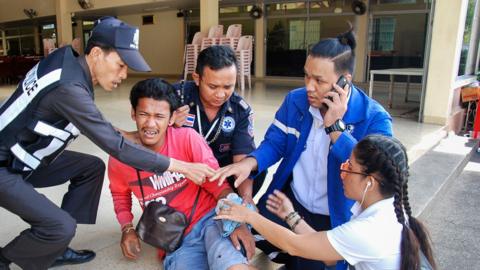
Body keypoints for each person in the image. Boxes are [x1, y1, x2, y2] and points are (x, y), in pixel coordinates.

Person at [0, 17, 213, 270]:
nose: (124, 74)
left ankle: (54, 246)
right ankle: (8, 257)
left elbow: (98, 125)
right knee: (60, 227)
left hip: (25, 153)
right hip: (6, 165)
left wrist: (148, 129)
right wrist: (183, 167)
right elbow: (116, 146)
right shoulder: (69, 88)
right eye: (121, 65)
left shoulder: (68, 63)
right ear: (97, 53)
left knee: (90, 168)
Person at [212, 27, 393, 270]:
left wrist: (336, 130)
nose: (309, 86)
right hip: (288, 204)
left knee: (311, 260)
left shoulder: (374, 118)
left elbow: (372, 171)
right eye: (306, 76)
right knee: (236, 239)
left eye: (319, 80)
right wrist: (249, 163)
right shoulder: (296, 100)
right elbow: (275, 142)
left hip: (334, 219)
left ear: (344, 81)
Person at [216, 135, 437, 270]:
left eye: (348, 168)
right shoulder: (388, 210)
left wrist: (248, 215)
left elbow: (294, 245)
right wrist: (291, 216)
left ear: (369, 182)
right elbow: (328, 254)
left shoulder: (371, 229)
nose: (342, 173)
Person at [108, 78, 255, 269]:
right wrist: (127, 228)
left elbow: (218, 185)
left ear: (171, 119)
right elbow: (120, 195)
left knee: (233, 267)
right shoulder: (120, 157)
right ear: (133, 114)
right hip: (174, 237)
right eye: (144, 114)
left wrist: (237, 222)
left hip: (212, 219)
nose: (150, 124)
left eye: (159, 116)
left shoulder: (187, 138)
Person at [173, 45, 266, 209]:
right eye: (213, 86)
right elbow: (150, 135)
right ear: (197, 78)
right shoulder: (175, 97)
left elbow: (241, 161)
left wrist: (246, 199)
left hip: (221, 173)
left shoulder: (240, 110)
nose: (221, 94)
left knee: (255, 167)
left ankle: (230, 203)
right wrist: (169, 124)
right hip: (184, 171)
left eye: (228, 87)